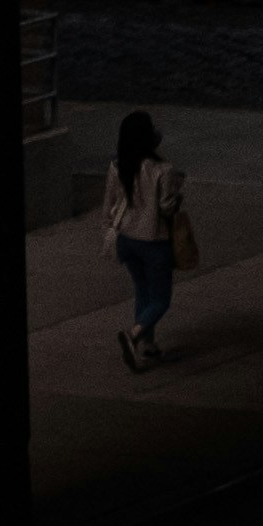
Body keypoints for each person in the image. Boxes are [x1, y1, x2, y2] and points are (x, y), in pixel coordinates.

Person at [106, 111, 185, 370]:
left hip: (127, 239)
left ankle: (149, 348)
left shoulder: (118, 166)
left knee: (143, 290)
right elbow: (166, 208)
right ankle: (134, 335)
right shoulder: (164, 170)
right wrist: (177, 197)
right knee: (161, 299)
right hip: (153, 241)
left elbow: (110, 205)